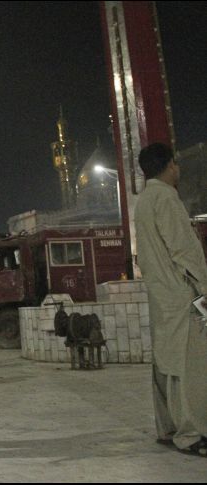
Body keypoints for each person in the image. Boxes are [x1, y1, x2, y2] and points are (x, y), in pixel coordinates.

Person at [134, 142, 207, 458]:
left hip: (160, 295)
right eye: (175, 163)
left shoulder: (143, 201)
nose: (178, 169)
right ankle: (191, 434)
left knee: (164, 363)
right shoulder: (166, 198)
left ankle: (167, 427)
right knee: (188, 366)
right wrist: (203, 289)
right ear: (168, 165)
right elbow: (184, 250)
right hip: (181, 295)